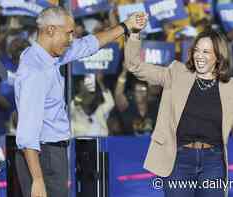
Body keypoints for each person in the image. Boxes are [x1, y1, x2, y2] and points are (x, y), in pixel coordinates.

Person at [124, 15, 233, 197]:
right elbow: (134, 66)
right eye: (197, 51)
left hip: (213, 162)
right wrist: (135, 34)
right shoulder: (176, 73)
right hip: (178, 160)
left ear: (218, 56)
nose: (199, 56)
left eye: (206, 52)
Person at [14, 6, 143, 197]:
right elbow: (27, 132)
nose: (71, 38)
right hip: (43, 158)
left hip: (48, 155)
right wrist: (38, 180)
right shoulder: (36, 70)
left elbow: (88, 44)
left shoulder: (47, 56)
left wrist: (125, 26)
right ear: (51, 30)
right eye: (68, 33)